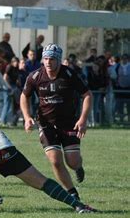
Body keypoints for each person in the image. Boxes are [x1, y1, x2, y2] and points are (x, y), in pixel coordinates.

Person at [20, 43, 92, 200]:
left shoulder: (69, 75)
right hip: (46, 124)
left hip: (69, 123)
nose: (48, 62)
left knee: (72, 162)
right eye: (45, 59)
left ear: (59, 60)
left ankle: (78, 167)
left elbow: (87, 95)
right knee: (55, 160)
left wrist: (83, 120)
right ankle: (73, 193)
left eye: (51, 59)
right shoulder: (35, 76)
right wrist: (27, 117)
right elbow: (24, 95)